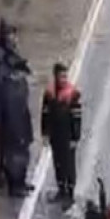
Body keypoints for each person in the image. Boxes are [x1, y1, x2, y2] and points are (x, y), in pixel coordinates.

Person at [0, 18, 29, 191]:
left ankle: (12, 176)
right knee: (4, 143)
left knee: (13, 142)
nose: (14, 38)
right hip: (5, 109)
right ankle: (1, 176)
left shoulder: (9, 52)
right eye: (11, 34)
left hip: (15, 108)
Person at [41, 62, 82, 204]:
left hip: (68, 136)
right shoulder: (49, 94)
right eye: (61, 77)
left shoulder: (73, 95)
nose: (64, 79)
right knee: (58, 163)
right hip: (55, 135)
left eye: (65, 76)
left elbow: (77, 118)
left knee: (69, 165)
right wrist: (45, 133)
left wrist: (75, 137)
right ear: (56, 77)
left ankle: (69, 194)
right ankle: (61, 189)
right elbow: (45, 114)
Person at [2, 57, 35, 198]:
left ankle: (21, 183)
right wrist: (19, 135)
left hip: (23, 127)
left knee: (23, 158)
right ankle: (15, 187)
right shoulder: (10, 91)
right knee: (15, 160)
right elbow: (12, 116)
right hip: (14, 131)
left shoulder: (20, 85)